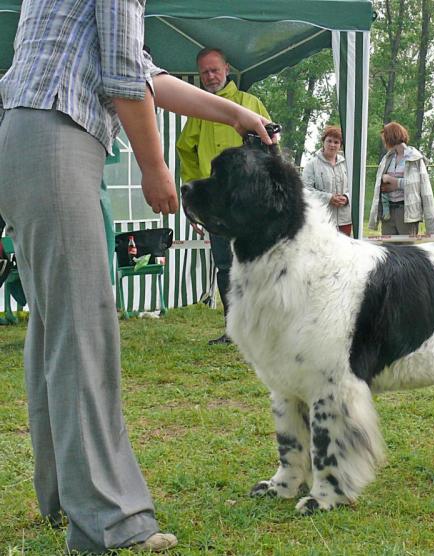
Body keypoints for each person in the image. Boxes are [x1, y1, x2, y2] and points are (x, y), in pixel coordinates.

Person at [0, 2, 272, 553]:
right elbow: (125, 74)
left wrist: (233, 113)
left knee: (54, 328)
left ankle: (63, 497)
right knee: (82, 328)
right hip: (58, 135)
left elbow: (145, 73)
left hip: (27, 134)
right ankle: (109, 519)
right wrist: (154, 166)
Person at [177, 48, 271, 345]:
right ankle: (233, 330)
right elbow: (184, 149)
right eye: (205, 72)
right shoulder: (198, 111)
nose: (210, 76)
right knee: (224, 264)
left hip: (250, 202)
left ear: (227, 69)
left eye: (215, 70)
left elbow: (270, 144)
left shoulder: (250, 103)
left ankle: (264, 329)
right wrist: (194, 192)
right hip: (217, 205)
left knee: (258, 263)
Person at [368, 122, 434, 236]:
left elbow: (424, 190)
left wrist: (395, 183)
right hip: (388, 212)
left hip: (407, 214)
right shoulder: (387, 159)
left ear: (391, 137)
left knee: (407, 251)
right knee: (389, 251)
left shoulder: (415, 158)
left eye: (385, 137)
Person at [301, 125, 352, 236]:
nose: (332, 145)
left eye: (336, 142)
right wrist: (328, 198)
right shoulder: (312, 165)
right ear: (323, 142)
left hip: (345, 220)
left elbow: (355, 188)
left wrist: (347, 198)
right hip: (322, 220)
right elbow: (305, 191)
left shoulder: (347, 164)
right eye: (329, 141)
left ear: (340, 145)